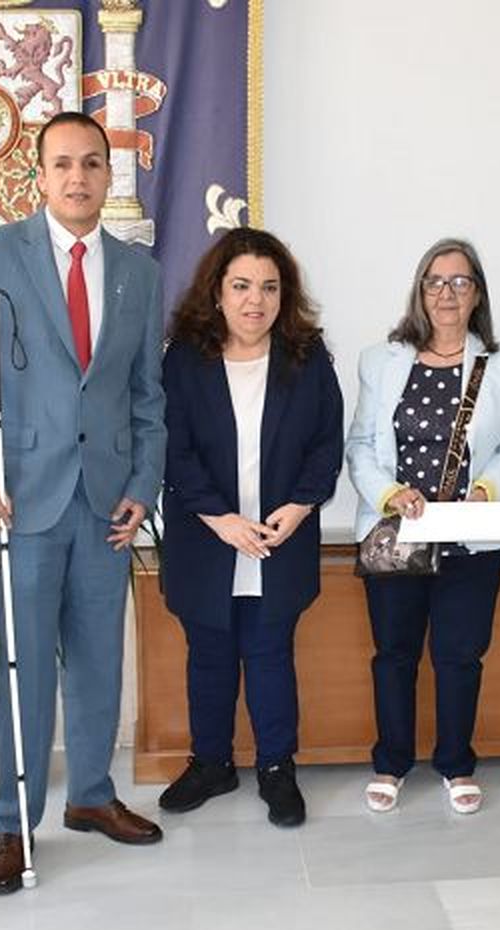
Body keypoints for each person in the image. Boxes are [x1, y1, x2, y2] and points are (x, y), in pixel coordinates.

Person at [0, 112, 167, 894]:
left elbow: (147, 397)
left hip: (106, 505)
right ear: (38, 174)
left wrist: (143, 485)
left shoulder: (138, 273)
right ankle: (14, 821)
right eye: (62, 163)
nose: (78, 177)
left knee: (99, 663)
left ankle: (91, 795)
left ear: (110, 174)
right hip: (19, 502)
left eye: (92, 163)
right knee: (23, 667)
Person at [156, 227, 344, 828]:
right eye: (241, 286)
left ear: (284, 295)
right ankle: (210, 764)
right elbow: (173, 449)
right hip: (206, 537)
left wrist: (302, 505)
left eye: (269, 287)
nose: (254, 300)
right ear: (217, 292)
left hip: (278, 538)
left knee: (270, 654)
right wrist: (220, 517)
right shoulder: (184, 360)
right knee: (208, 655)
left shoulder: (306, 359)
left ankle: (276, 768)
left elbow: (326, 443)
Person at [346, 237, 500, 815]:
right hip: (398, 535)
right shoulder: (380, 361)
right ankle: (391, 762)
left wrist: (487, 489)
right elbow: (360, 446)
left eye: (459, 282)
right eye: (434, 281)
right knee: (394, 655)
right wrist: (389, 494)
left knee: (460, 656)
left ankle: (456, 763)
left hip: (468, 538)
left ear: (477, 293)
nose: (446, 293)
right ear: (419, 291)